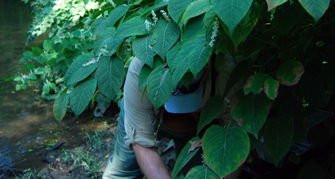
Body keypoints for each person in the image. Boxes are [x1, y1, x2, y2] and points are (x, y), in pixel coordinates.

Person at [103, 54, 242, 179]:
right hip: (150, 114)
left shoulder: (228, 80)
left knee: (199, 172)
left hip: (204, 123)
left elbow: (235, 144)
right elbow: (141, 143)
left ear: (205, 73)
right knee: (122, 172)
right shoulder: (142, 70)